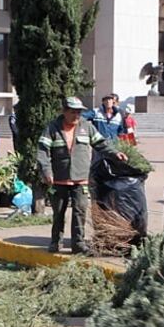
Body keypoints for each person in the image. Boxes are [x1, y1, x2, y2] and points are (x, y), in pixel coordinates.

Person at [38, 96, 128, 254]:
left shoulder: (86, 127)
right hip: (59, 179)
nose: (76, 116)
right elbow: (42, 151)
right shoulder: (52, 128)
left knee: (80, 211)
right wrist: (46, 170)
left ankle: (78, 244)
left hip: (81, 178)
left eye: (79, 112)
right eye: (73, 112)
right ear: (64, 111)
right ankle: (55, 242)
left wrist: (115, 154)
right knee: (59, 213)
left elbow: (101, 144)